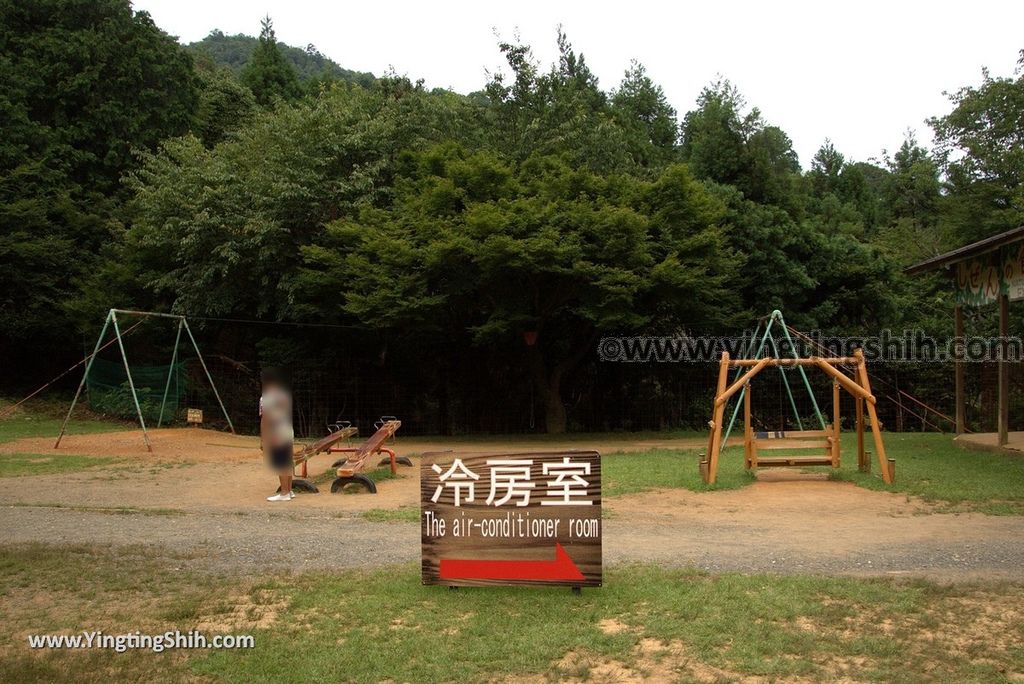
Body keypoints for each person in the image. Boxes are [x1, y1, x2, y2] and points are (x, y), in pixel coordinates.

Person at [260, 368, 294, 502]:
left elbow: (265, 419)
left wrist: (263, 439)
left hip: (275, 431)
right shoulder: (284, 395)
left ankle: (284, 492)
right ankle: (289, 490)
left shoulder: (266, 398)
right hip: (287, 429)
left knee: (280, 462)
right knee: (287, 461)